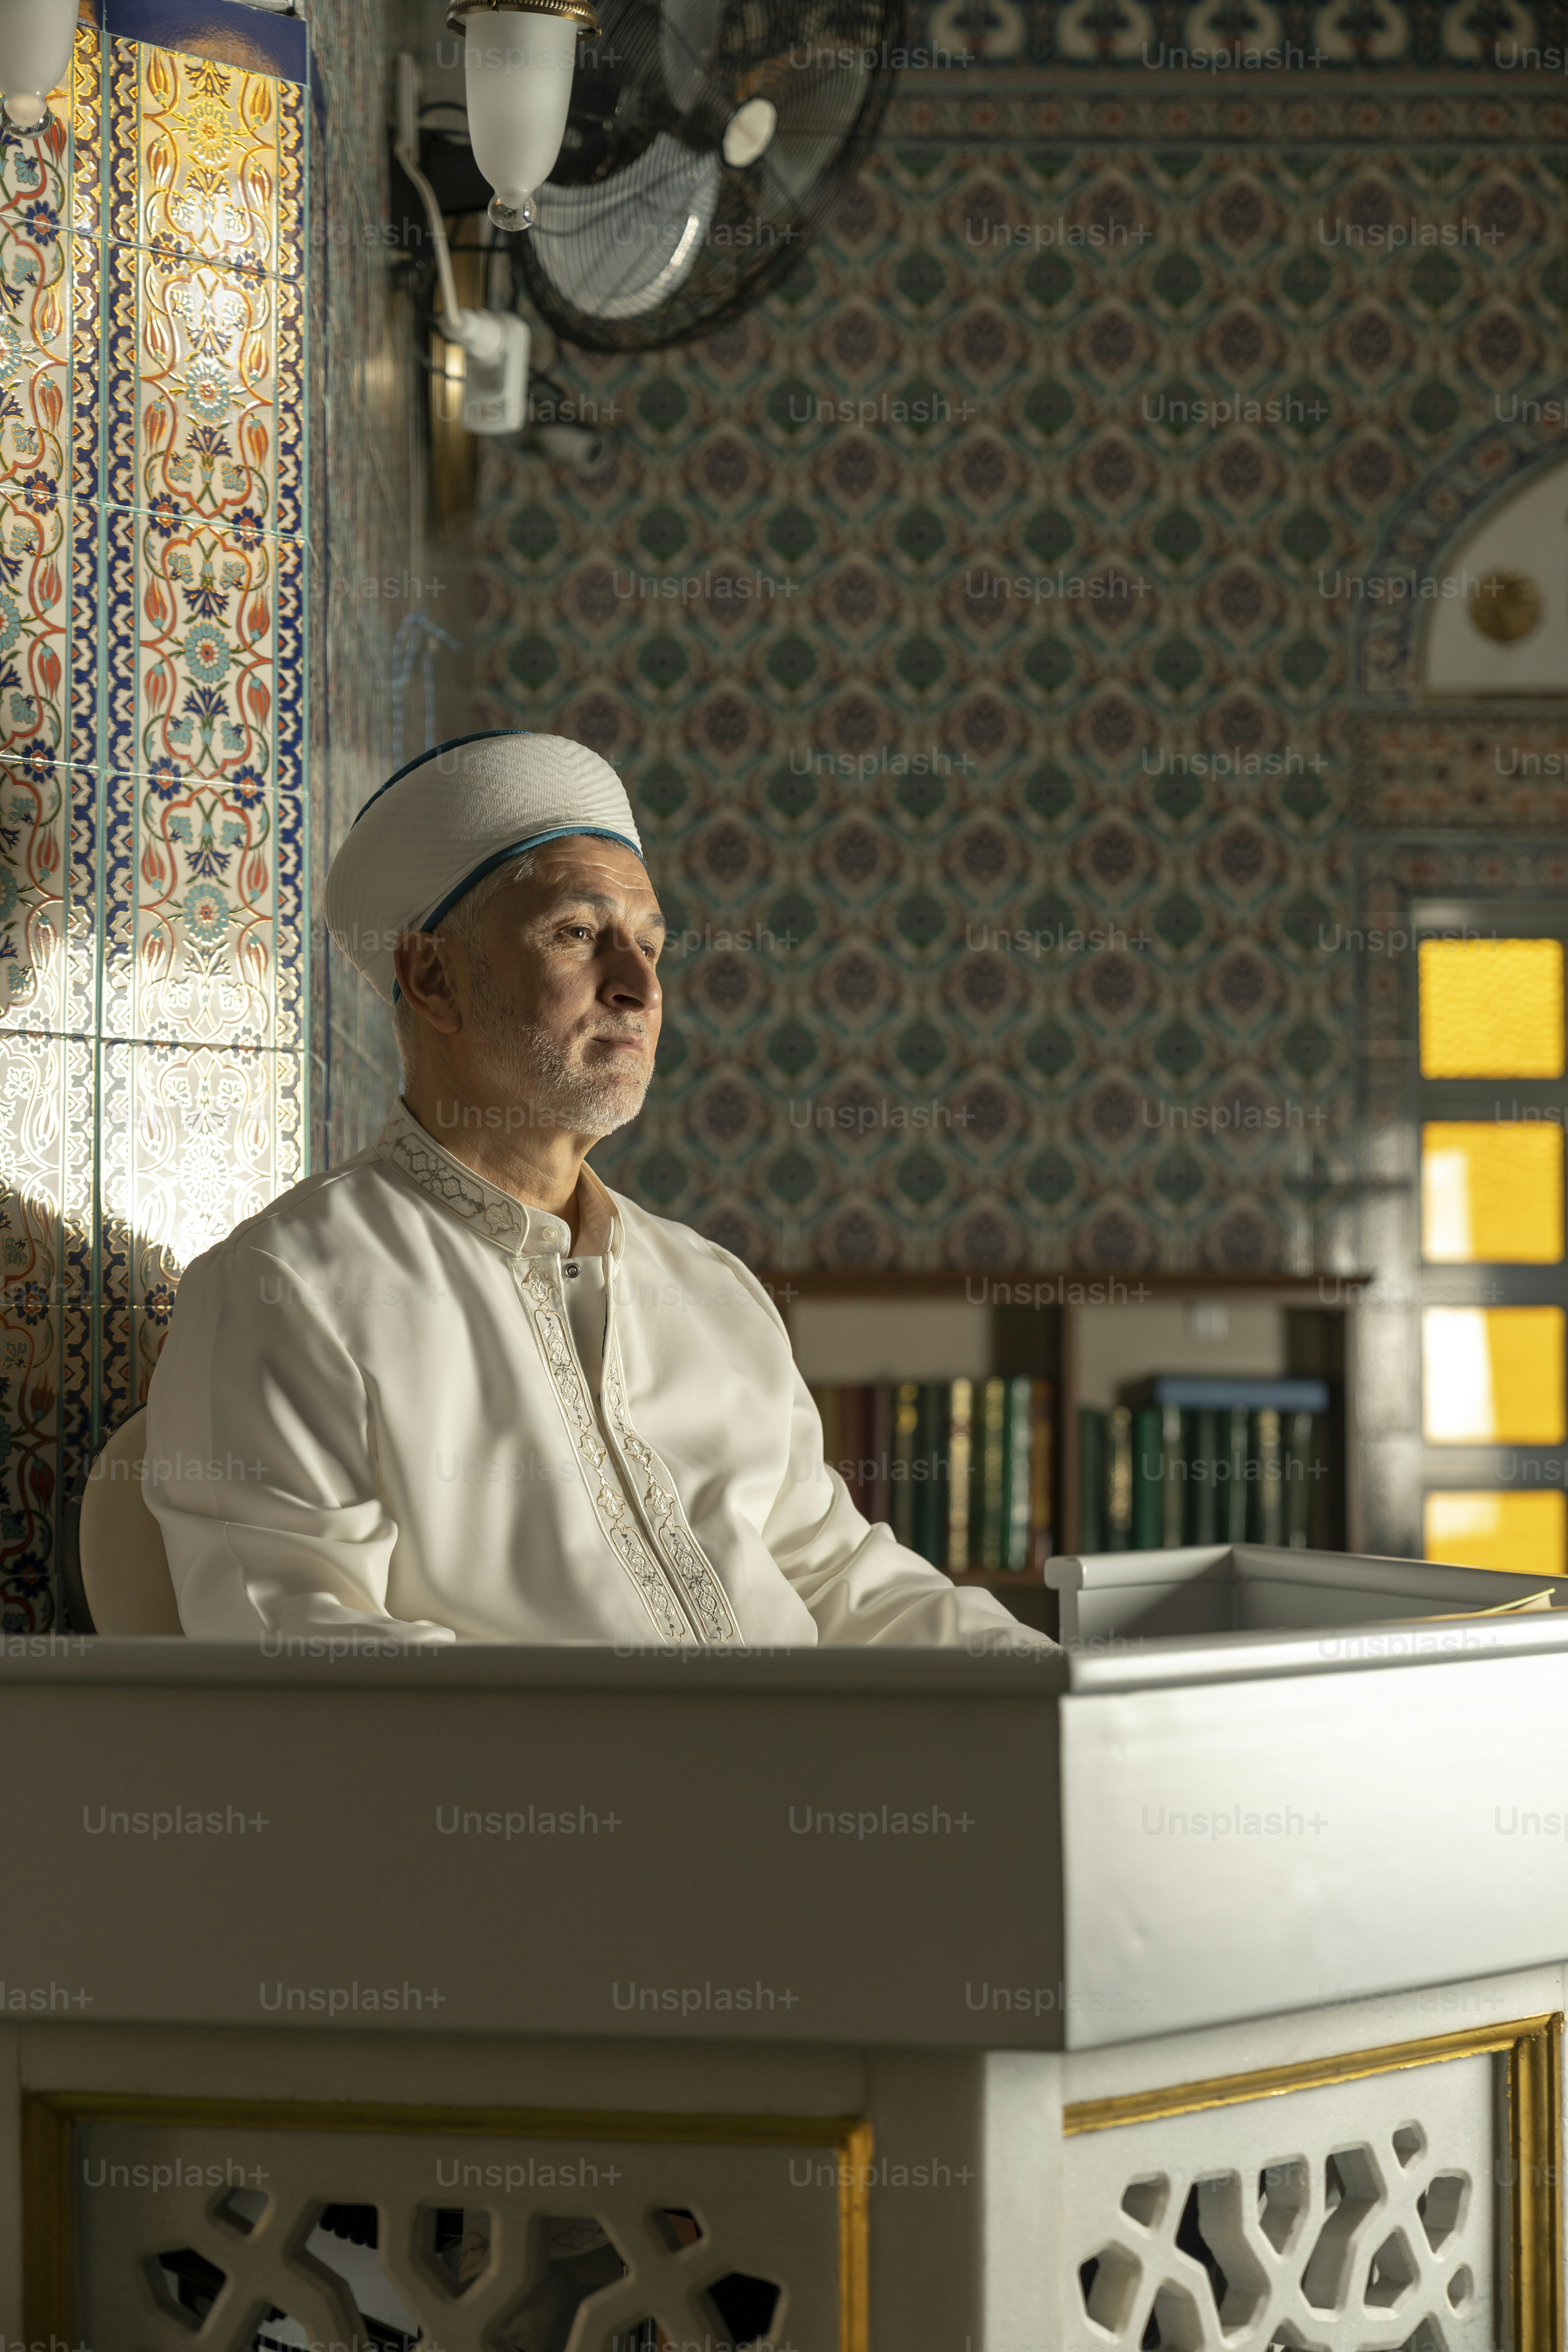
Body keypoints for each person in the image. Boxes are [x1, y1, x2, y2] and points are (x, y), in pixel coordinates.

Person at [144, 731, 1053, 1651]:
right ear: (431, 975)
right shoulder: (288, 1288)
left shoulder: (711, 1288)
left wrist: (1050, 1687)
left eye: (651, 946)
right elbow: (302, 1647)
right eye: (579, 934)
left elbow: (836, 1574)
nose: (639, 986)